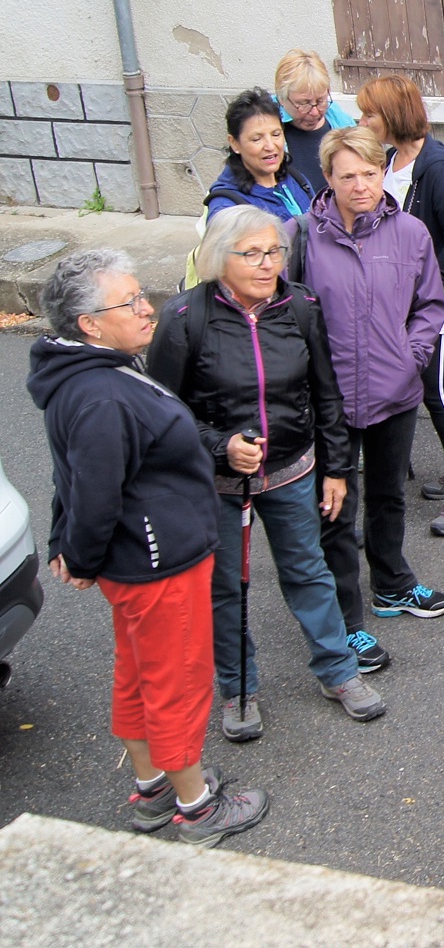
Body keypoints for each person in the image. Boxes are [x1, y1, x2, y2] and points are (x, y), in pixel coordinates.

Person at [28, 249, 269, 847]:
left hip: (137, 561)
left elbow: (72, 476)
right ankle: (197, 806)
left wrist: (73, 549)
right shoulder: (103, 395)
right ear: (88, 323)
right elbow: (95, 488)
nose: (147, 308)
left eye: (141, 295)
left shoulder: (86, 373)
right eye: (129, 302)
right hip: (157, 562)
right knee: (178, 681)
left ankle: (154, 786)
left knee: (138, 675)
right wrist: (77, 555)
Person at [148, 205, 384, 743]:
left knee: (309, 571)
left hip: (293, 471)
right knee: (225, 588)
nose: (266, 263)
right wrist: (219, 446)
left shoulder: (300, 305)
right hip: (217, 484)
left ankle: (338, 672)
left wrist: (337, 469)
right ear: (217, 259)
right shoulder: (185, 319)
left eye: (273, 251)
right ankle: (238, 688)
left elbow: (326, 393)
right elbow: (162, 413)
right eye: (251, 254)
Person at [301, 127, 444, 659]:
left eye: (370, 173)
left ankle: (391, 585)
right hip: (331, 401)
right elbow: (288, 317)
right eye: (348, 176)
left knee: (388, 497)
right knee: (337, 510)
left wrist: (408, 357)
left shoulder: (410, 232)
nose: (361, 185)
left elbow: (430, 306)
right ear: (328, 179)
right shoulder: (300, 236)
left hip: (393, 393)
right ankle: (345, 620)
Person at [356, 74, 444, 536]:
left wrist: (422, 292)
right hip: (406, 302)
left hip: (442, 302)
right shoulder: (391, 161)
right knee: (433, 391)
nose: (362, 120)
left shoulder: (437, 168)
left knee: (438, 392)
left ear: (392, 115)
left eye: (369, 113)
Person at [204, 88, 316, 222]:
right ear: (234, 143)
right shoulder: (227, 208)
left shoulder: (296, 179)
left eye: (276, 134)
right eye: (257, 139)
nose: (270, 146)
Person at [275, 48, 355, 195]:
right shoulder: (267, 130)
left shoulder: (344, 125)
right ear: (282, 98)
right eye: (304, 103)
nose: (315, 112)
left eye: (321, 101)